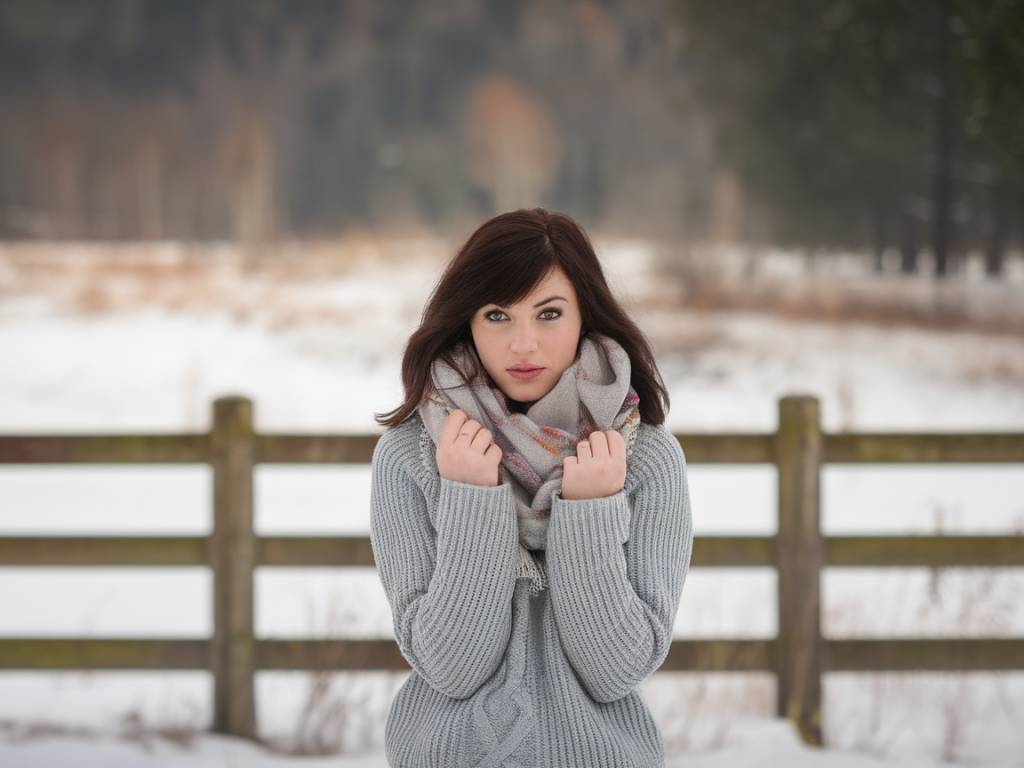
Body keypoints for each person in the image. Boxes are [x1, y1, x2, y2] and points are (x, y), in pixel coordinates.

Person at [370, 207, 694, 767]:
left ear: (585, 317)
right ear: (466, 320)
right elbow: (453, 667)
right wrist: (471, 499)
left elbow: (615, 669)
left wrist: (591, 511)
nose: (524, 344)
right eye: (498, 315)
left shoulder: (648, 460)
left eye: (549, 314)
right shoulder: (409, 456)